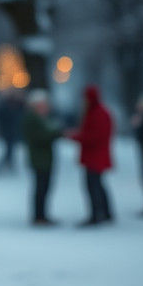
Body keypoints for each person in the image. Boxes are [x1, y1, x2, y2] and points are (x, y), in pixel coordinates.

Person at [69, 86, 114, 227]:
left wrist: (75, 136)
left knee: (93, 185)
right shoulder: (98, 112)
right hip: (95, 155)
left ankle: (97, 215)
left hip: (95, 156)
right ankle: (105, 213)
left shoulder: (97, 113)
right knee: (98, 185)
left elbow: (94, 136)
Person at [22, 90, 61, 226]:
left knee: (44, 188)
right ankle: (39, 216)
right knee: (41, 188)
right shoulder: (32, 119)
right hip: (39, 159)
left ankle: (42, 215)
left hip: (44, 158)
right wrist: (55, 133)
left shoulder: (40, 118)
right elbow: (39, 137)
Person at [0, 90, 24, 175]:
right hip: (7, 131)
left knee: (10, 150)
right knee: (8, 150)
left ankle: (7, 165)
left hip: (12, 131)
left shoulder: (15, 106)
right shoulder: (5, 107)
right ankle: (5, 165)